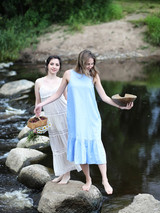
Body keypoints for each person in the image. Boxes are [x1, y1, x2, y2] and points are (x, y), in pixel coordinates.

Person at [34, 50, 133, 194]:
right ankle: (88, 179)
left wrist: (121, 105)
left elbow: (104, 97)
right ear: (81, 62)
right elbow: (57, 94)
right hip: (75, 118)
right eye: (87, 64)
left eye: (92, 64)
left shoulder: (94, 75)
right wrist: (40, 105)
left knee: (97, 145)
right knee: (80, 148)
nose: (90, 66)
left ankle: (105, 179)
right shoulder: (68, 74)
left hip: (91, 117)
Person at [34, 55, 81, 184]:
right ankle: (61, 173)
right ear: (47, 65)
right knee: (56, 146)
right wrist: (37, 119)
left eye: (57, 65)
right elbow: (38, 103)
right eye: (52, 64)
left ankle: (67, 175)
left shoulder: (62, 80)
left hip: (63, 114)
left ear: (59, 67)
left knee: (65, 144)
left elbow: (67, 99)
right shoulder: (38, 82)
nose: (54, 67)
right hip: (50, 117)